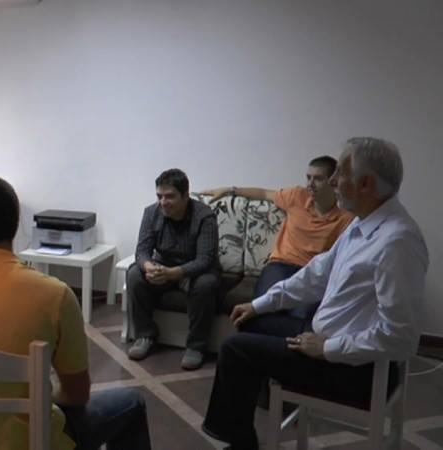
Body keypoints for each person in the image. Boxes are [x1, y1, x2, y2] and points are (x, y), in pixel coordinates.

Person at [202, 137, 429, 449]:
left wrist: (327, 348)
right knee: (249, 321)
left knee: (234, 350)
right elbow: (316, 274)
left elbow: (402, 337)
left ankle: (240, 443)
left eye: (340, 174)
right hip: (325, 342)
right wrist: (258, 304)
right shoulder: (363, 224)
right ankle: (241, 430)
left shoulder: (396, 242)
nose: (333, 181)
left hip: (354, 369)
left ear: (365, 184)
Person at [0, 175, 151, 450]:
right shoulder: (55, 295)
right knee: (132, 402)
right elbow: (77, 394)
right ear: (16, 226)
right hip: (27, 440)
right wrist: (43, 395)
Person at [201, 156, 354, 320]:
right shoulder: (297, 196)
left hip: (311, 273)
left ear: (333, 182)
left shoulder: (347, 216)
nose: (310, 184)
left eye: (318, 179)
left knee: (300, 316)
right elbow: (264, 193)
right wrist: (229, 190)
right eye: (308, 178)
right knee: (260, 310)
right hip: (280, 265)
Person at [126, 168, 220, 369]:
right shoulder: (151, 213)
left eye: (169, 196)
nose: (163, 202)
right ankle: (144, 336)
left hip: (194, 271)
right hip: (163, 267)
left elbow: (205, 259)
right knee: (134, 273)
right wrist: (149, 267)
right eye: (159, 196)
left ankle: (196, 346)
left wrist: (173, 273)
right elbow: (142, 251)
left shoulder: (204, 216)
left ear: (185, 196)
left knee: (206, 284)